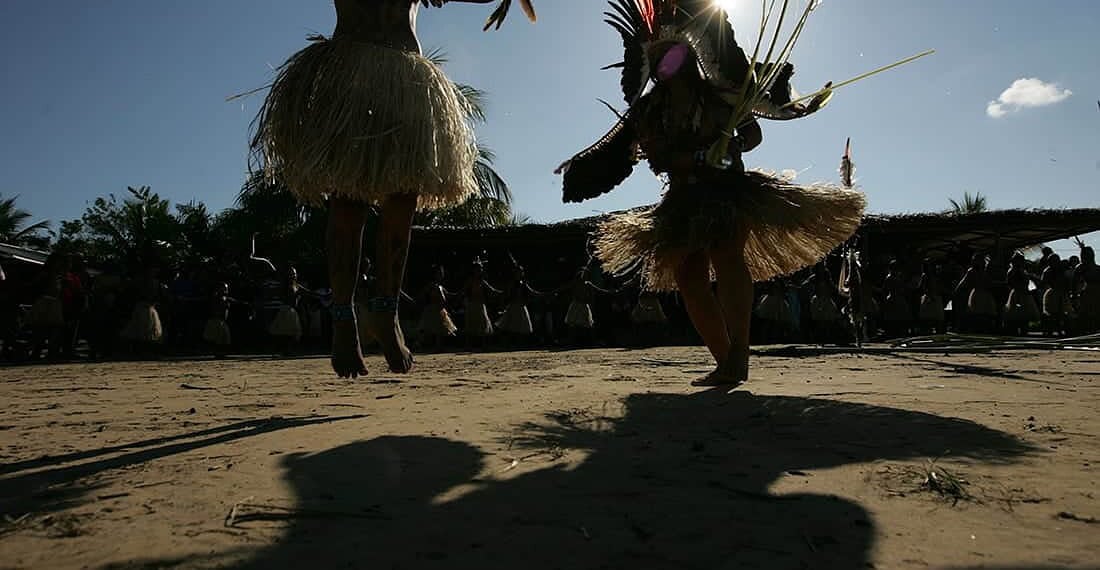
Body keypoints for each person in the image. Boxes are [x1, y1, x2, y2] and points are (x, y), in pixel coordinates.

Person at [555, 0, 865, 385]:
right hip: (682, 201)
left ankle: (739, 357)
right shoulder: (650, 110)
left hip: (728, 192)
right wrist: (689, 157)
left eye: (671, 56)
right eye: (658, 59)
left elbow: (753, 134)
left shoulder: (720, 95)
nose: (665, 64)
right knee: (688, 276)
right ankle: (724, 360)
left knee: (727, 256)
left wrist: (730, 144)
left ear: (687, 57)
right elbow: (656, 158)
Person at [248, 0, 536, 378]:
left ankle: (387, 310)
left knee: (403, 198)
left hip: (404, 75)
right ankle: (343, 318)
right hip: (352, 71)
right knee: (349, 198)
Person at [417, 265, 459, 350]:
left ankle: (438, 346)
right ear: (435, 274)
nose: (441, 274)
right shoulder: (431, 285)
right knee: (428, 328)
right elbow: (423, 293)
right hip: (432, 309)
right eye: (439, 273)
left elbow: (448, 295)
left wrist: (459, 293)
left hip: (440, 309)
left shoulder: (440, 286)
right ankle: (419, 343)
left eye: (442, 273)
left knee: (439, 329)